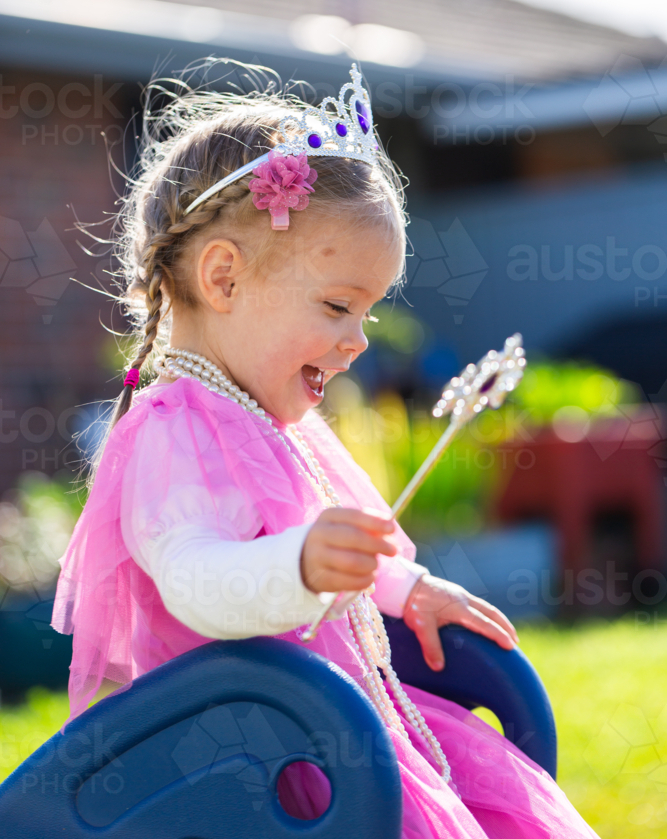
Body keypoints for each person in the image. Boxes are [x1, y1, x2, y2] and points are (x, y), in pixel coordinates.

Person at [53, 63, 598, 838]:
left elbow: (338, 552)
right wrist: (298, 566)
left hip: (333, 740)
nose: (356, 341)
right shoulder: (172, 430)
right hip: (257, 773)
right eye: (339, 306)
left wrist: (403, 587)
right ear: (223, 277)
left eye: (367, 314)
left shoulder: (271, 423)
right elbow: (194, 579)